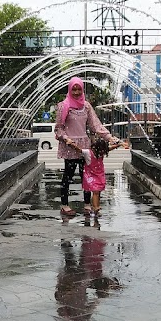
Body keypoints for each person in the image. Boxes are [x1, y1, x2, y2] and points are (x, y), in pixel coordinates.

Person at [55, 77, 116, 216]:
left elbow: (95, 125)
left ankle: (87, 204)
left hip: (85, 146)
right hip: (70, 147)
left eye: (79, 89)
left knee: (87, 176)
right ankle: (64, 205)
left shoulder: (86, 106)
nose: (76, 92)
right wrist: (66, 138)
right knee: (68, 176)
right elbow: (59, 128)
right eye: (74, 89)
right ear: (70, 90)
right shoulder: (63, 106)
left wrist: (109, 137)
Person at [82, 136, 111, 216]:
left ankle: (96, 207)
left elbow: (109, 149)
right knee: (96, 192)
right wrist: (71, 144)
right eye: (101, 150)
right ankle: (95, 208)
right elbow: (78, 150)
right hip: (91, 176)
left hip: (99, 175)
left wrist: (118, 145)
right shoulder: (88, 153)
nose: (102, 152)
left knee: (98, 192)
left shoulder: (100, 152)